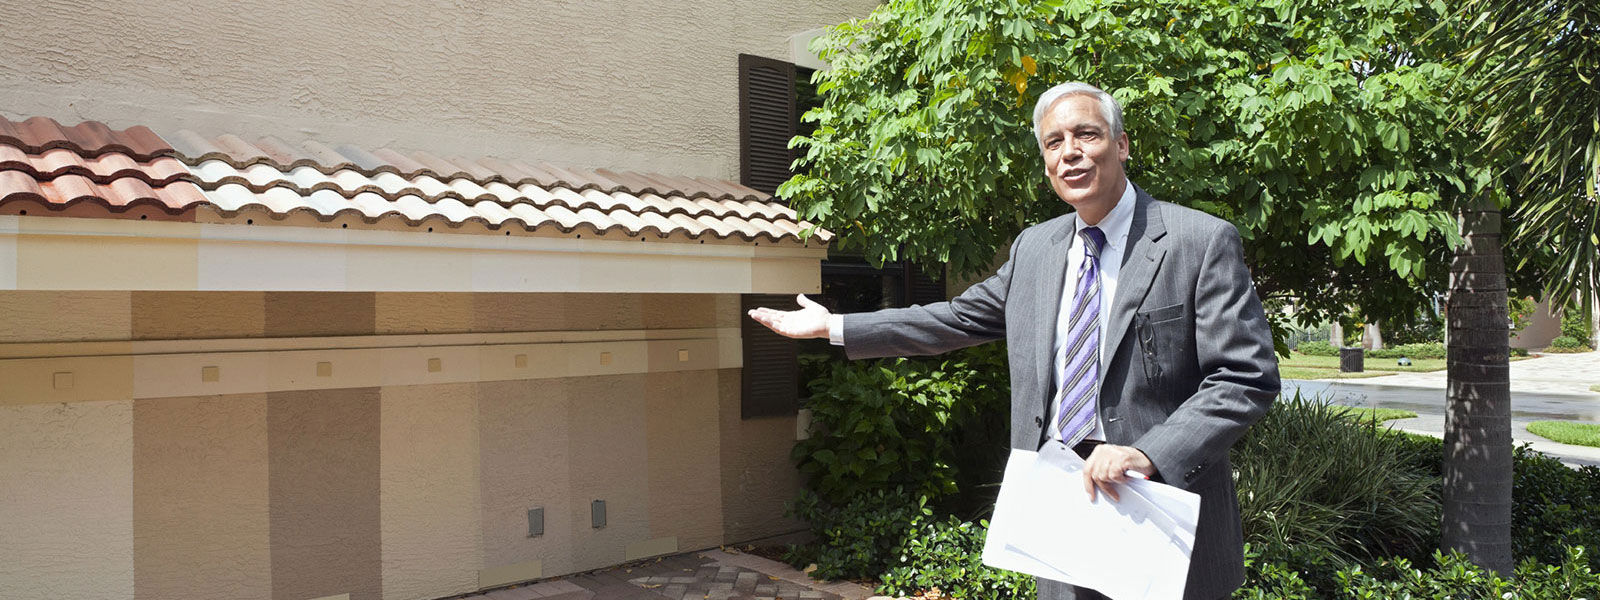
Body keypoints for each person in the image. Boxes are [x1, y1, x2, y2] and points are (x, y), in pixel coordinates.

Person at [747, 81, 1280, 600]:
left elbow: (1244, 378)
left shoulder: (1198, 242)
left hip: (1160, 511)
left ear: (1121, 145)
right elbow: (954, 318)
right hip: (1060, 504)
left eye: (1086, 135)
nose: (1070, 153)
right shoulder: (1037, 248)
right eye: (1054, 143)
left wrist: (1147, 453)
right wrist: (835, 327)